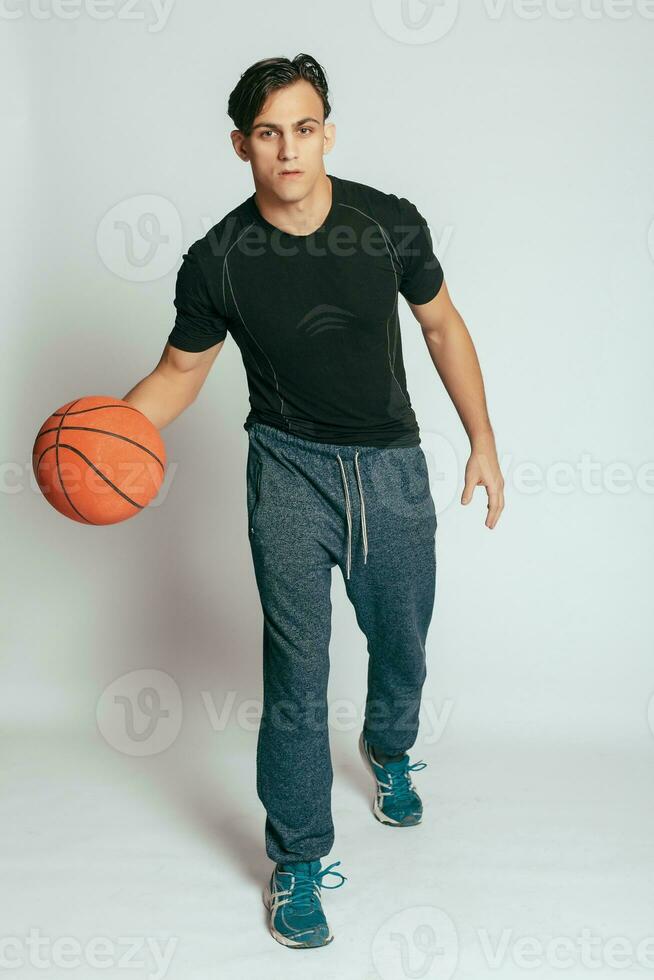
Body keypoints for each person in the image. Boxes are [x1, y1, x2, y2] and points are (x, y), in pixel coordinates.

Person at [122, 52, 504, 950]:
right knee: (296, 669)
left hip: (391, 468)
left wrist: (484, 440)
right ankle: (296, 858)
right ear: (240, 145)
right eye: (267, 133)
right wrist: (112, 435)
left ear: (326, 131)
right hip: (287, 469)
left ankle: (390, 749)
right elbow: (178, 372)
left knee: (402, 638)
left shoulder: (387, 224)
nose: (288, 150)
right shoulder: (217, 257)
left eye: (303, 128)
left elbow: (442, 325)